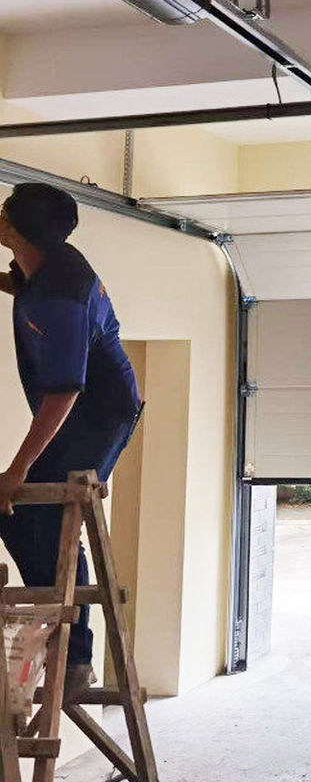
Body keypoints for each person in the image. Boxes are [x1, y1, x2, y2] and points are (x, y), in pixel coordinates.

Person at [0, 182, 141, 695]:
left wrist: (16, 469)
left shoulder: (63, 294)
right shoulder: (48, 260)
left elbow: (64, 392)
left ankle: (76, 656)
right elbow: (22, 284)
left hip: (98, 414)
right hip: (80, 410)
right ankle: (56, 619)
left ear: (19, 228)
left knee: (46, 509)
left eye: (4, 212)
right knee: (16, 513)